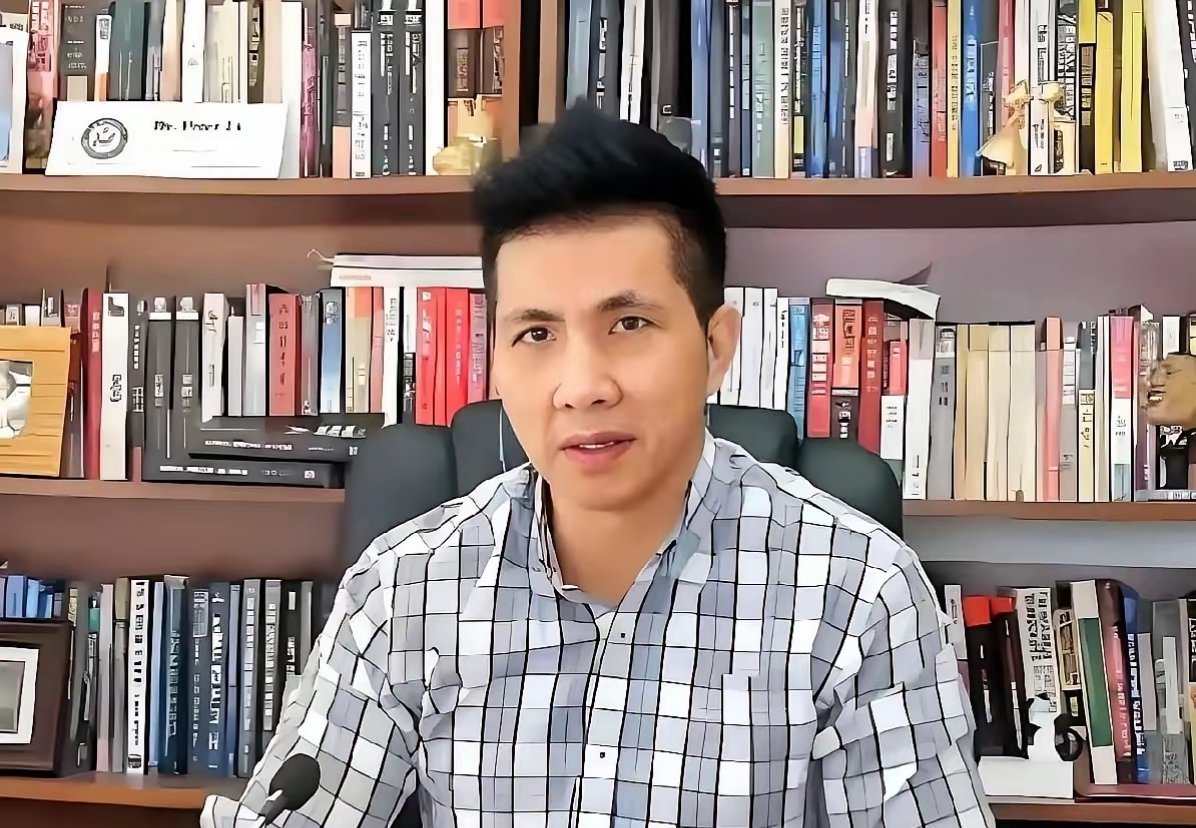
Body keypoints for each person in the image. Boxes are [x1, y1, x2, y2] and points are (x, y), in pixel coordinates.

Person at [202, 104, 993, 828]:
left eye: (630, 323)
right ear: (496, 362)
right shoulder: (405, 587)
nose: (582, 387)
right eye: (537, 335)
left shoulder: (858, 591)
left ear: (716, 348)